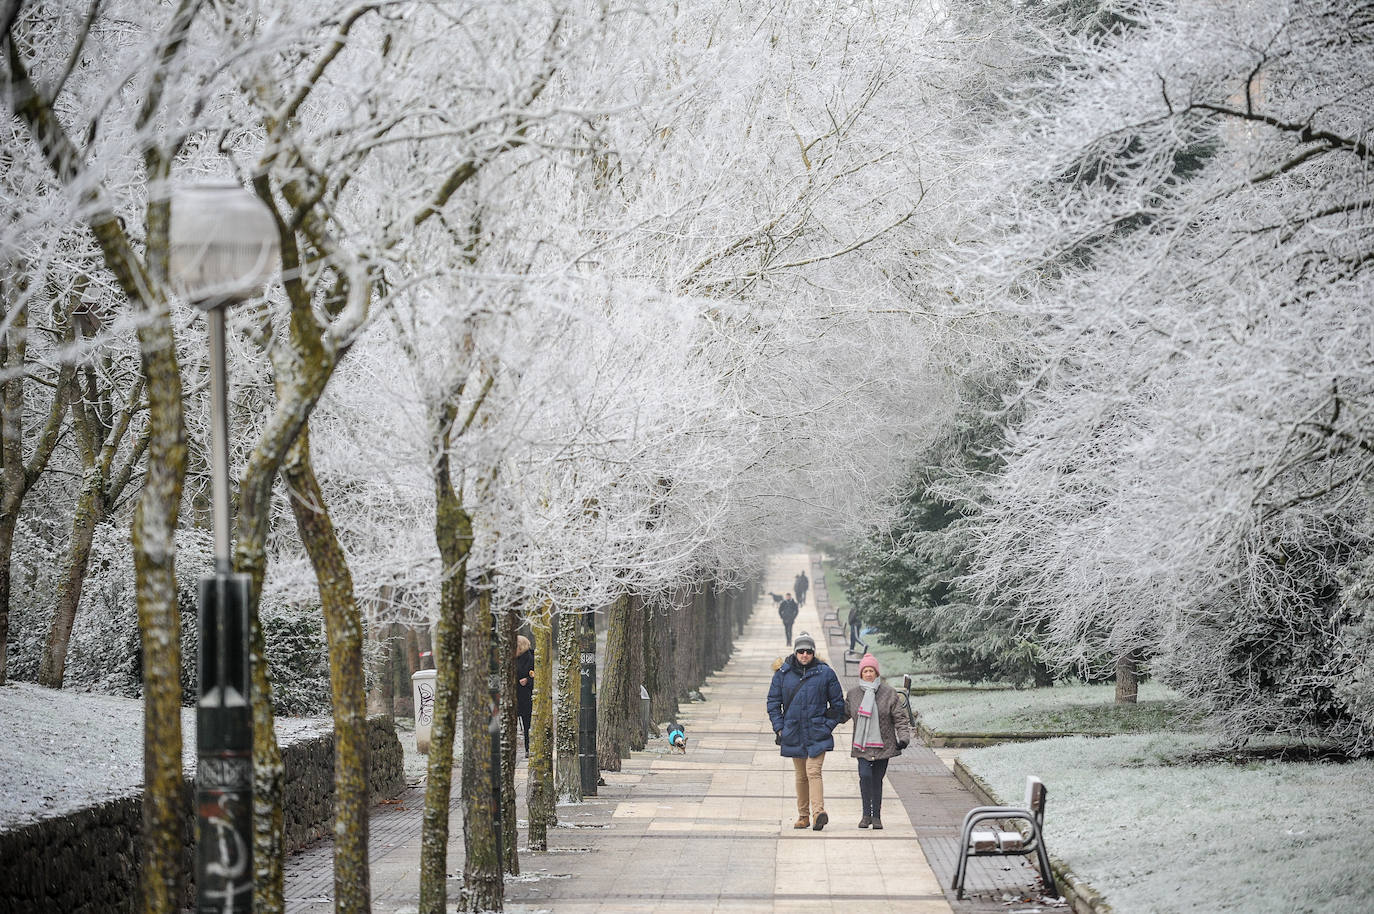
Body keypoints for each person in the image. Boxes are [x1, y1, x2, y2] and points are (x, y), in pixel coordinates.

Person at [767, 632, 845, 831]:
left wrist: (826, 726)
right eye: (800, 651)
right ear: (795, 652)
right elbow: (773, 703)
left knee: (813, 771)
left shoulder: (825, 673)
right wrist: (780, 728)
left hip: (817, 732)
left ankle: (819, 812)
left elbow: (837, 705)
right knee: (801, 775)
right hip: (793, 732)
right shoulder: (782, 674)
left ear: (813, 653)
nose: (804, 655)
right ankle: (803, 816)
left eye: (808, 651)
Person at [845, 653, 912, 830]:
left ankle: (876, 817)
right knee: (865, 776)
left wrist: (904, 738)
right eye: (865, 671)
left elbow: (900, 718)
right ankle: (865, 814)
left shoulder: (889, 693)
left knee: (877, 780)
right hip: (862, 745)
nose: (868, 674)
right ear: (861, 674)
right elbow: (842, 714)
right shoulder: (853, 694)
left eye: (871, 671)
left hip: (884, 745)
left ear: (877, 673)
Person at [515, 634, 534, 756]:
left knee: (527, 724)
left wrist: (527, 680)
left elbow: (536, 676)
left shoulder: (530, 658)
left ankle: (529, 748)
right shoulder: (512, 659)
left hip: (526, 696)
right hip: (514, 695)